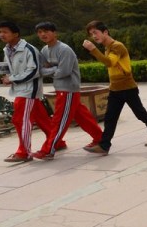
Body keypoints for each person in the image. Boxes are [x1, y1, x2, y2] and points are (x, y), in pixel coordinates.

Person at [81, 21, 147, 155]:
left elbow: (109, 63)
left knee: (140, 113)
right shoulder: (108, 48)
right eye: (91, 34)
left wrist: (92, 49)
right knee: (110, 118)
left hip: (127, 88)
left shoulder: (117, 46)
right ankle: (104, 146)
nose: (93, 36)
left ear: (105, 32)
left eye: (95, 32)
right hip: (115, 89)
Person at [32, 22, 103, 160]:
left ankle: (48, 149)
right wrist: (53, 70)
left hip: (68, 89)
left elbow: (63, 72)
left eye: (46, 31)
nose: (43, 35)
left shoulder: (64, 49)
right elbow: (41, 69)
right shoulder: (45, 50)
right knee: (82, 117)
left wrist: (50, 70)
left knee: (59, 120)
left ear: (55, 33)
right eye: (40, 32)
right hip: (60, 88)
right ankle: (100, 138)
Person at [0, 20, 52, 163]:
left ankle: (24, 152)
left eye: (5, 32)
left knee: (20, 120)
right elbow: (10, 68)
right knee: (42, 119)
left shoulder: (29, 49)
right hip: (19, 89)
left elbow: (34, 71)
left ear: (15, 34)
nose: (1, 34)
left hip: (28, 90)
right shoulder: (7, 49)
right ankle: (56, 142)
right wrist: (6, 77)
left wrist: (12, 79)